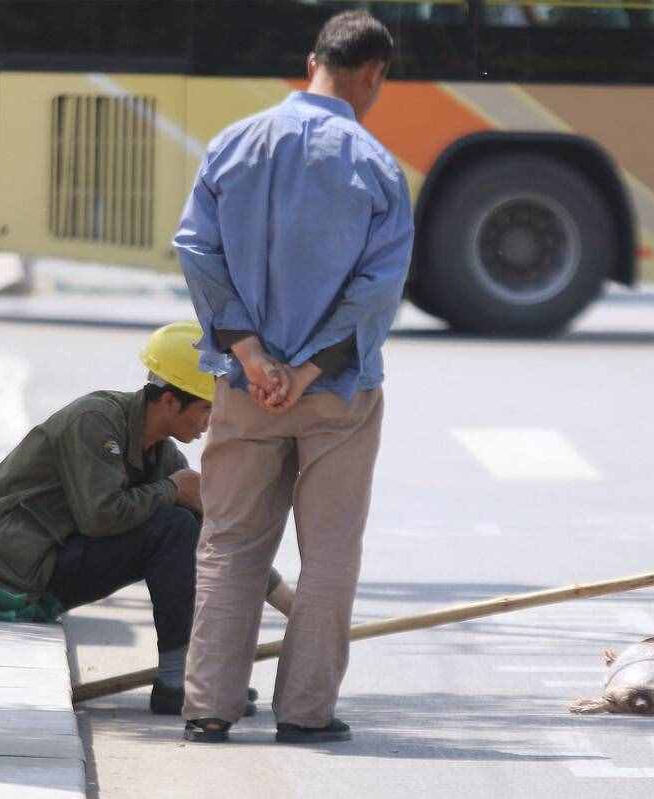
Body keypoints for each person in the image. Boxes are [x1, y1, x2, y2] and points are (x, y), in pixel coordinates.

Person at [175, 11, 413, 744]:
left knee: (229, 542)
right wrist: (306, 370)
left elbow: (197, 251)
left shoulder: (232, 144)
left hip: (245, 390)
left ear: (312, 59)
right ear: (372, 74)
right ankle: (306, 711)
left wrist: (251, 357)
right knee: (329, 553)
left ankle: (208, 707)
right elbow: (376, 291)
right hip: (335, 393)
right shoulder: (375, 166)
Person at [0, 322, 291, 715]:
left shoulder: (161, 453)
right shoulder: (95, 422)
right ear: (168, 401)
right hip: (8, 564)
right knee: (174, 526)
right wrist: (171, 490)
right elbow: (100, 516)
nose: (209, 422)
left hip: (49, 559)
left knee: (186, 522)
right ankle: (175, 678)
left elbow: (219, 531)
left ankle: (196, 674)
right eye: (204, 409)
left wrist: (295, 609)